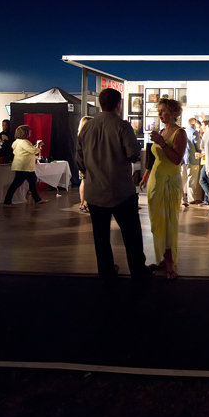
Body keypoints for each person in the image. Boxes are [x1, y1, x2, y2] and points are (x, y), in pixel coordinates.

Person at [77, 88, 155, 284]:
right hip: (120, 191)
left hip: (95, 192)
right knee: (132, 235)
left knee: (100, 236)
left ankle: (107, 272)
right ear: (118, 105)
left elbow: (79, 159)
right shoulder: (122, 126)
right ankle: (137, 271)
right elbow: (132, 154)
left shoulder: (87, 127)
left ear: (101, 104)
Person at [138, 97, 187, 281]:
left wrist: (162, 142)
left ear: (173, 113)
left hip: (170, 182)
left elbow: (176, 159)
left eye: (163, 110)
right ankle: (162, 256)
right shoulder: (161, 131)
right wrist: (145, 175)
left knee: (168, 222)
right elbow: (154, 158)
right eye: (158, 110)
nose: (160, 114)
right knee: (157, 221)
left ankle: (169, 261)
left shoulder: (179, 133)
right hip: (156, 182)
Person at [2, 124, 47, 208]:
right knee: (16, 184)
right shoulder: (24, 142)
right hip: (23, 167)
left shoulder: (17, 142)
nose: (30, 132)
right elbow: (34, 150)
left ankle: (37, 199)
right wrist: (39, 145)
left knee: (33, 182)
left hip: (26, 167)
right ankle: (7, 201)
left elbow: (29, 150)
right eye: (28, 131)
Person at [181, 117, 202, 206]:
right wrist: (201, 151)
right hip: (193, 159)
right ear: (194, 124)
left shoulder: (183, 132)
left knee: (182, 180)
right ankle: (191, 199)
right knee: (191, 180)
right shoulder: (194, 132)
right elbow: (197, 146)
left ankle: (181, 198)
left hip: (183, 159)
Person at [76, 116, 92, 213]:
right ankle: (86, 203)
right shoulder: (89, 136)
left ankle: (82, 203)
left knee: (83, 182)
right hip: (89, 163)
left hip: (82, 163)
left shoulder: (80, 136)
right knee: (87, 183)